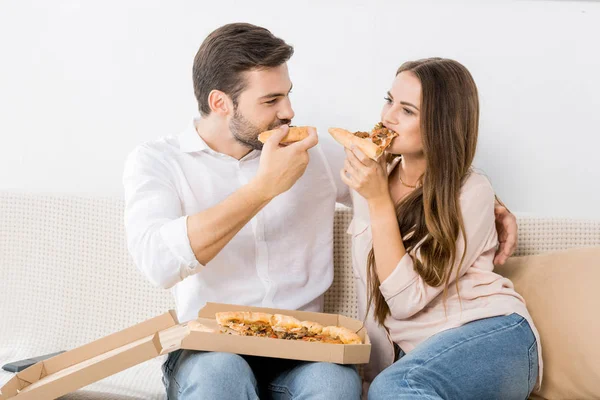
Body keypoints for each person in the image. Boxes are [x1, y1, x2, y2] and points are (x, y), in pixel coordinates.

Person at [123, 21, 518, 399]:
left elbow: (407, 180)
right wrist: (263, 189)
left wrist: (490, 204)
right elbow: (159, 262)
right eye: (271, 100)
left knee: (333, 383)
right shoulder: (158, 161)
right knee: (221, 374)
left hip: (303, 349)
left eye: (288, 93)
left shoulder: (315, 157)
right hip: (210, 349)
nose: (289, 111)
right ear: (220, 103)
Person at [341, 57, 542, 400]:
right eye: (389, 100)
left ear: (441, 123)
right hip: (414, 358)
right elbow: (296, 161)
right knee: (388, 387)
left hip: (491, 335)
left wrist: (378, 202)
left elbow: (405, 302)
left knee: (391, 388)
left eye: (407, 110)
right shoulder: (369, 167)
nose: (387, 117)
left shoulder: (471, 191)